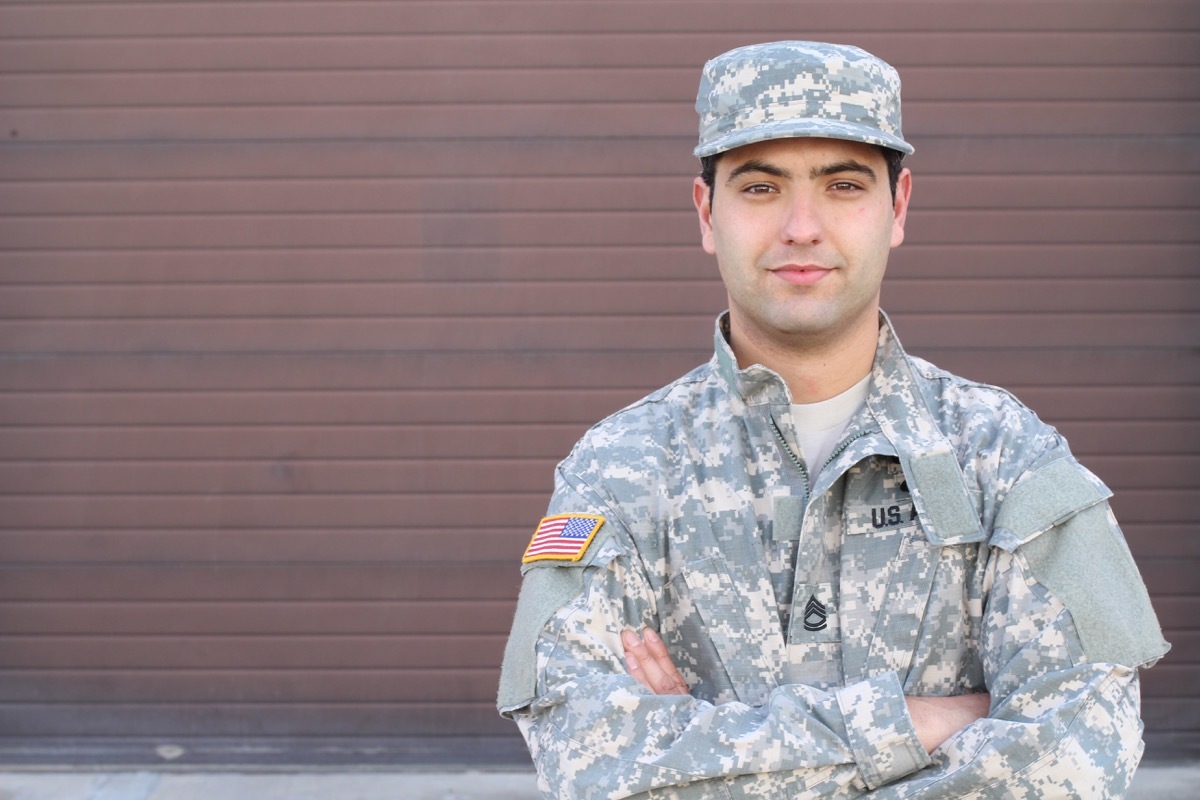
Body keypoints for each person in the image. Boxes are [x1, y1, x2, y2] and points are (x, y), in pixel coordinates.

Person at [496, 41, 1169, 799]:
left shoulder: (1006, 457)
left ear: (899, 205)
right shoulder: (620, 470)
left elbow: (1075, 757)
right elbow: (587, 760)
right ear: (706, 212)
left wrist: (706, 756)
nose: (803, 226)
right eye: (760, 188)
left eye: (844, 185)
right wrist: (914, 725)